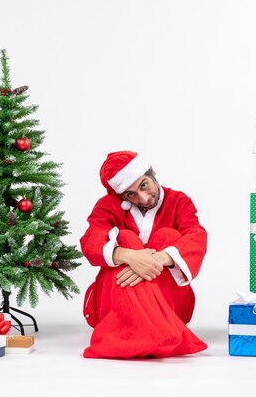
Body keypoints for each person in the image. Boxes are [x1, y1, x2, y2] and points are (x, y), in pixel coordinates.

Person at [80, 150, 208, 359]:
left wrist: (153, 261)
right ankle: (163, 333)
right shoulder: (107, 206)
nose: (143, 198)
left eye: (144, 185)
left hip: (171, 303)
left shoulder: (179, 201)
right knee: (125, 238)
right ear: (121, 195)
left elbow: (196, 236)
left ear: (152, 174)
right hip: (114, 302)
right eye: (130, 194)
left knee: (168, 236)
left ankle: (135, 337)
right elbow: (91, 239)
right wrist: (128, 256)